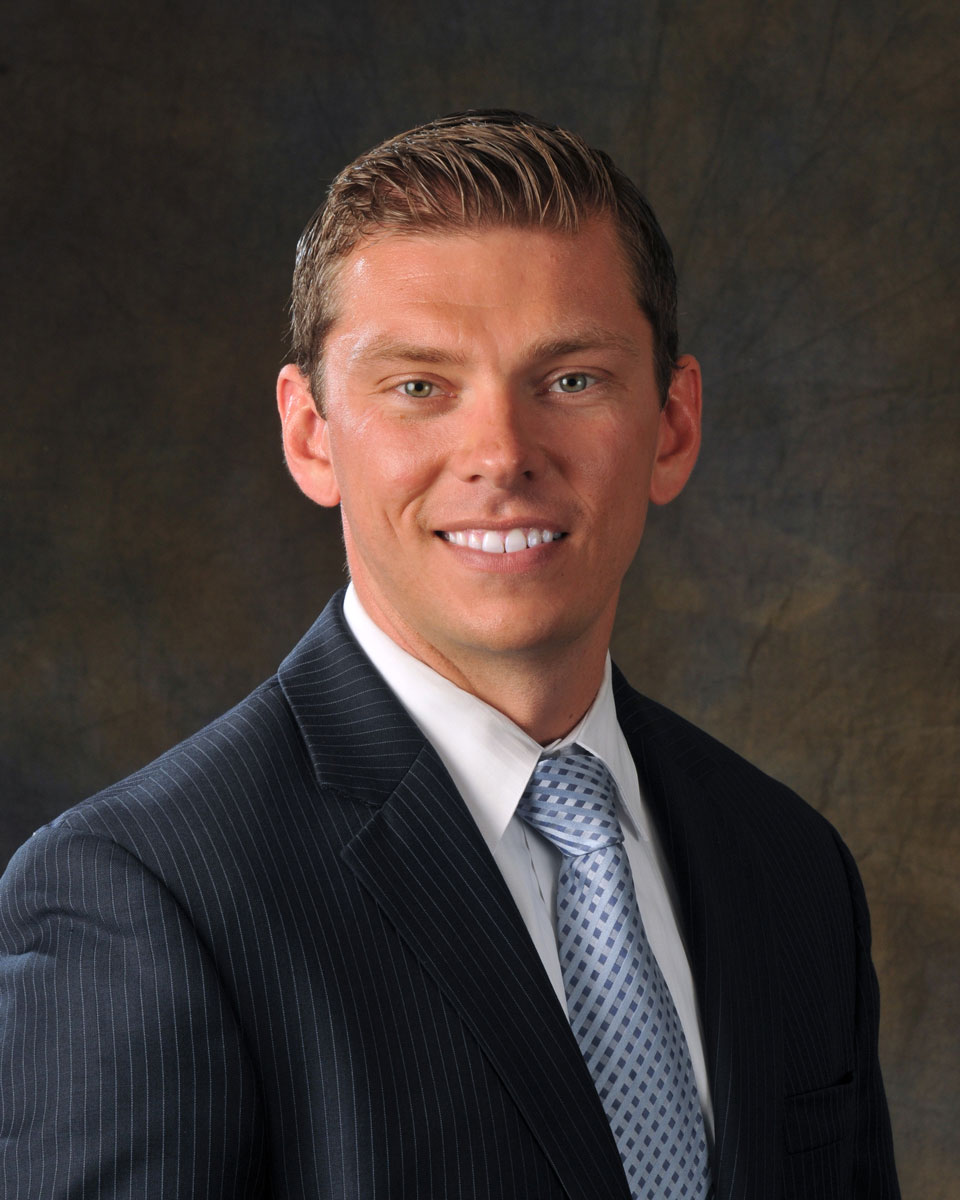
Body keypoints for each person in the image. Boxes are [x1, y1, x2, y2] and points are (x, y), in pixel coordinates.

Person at [0, 110, 899, 1199]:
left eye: (571, 380)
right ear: (310, 435)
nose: (502, 455)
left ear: (672, 425)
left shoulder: (791, 868)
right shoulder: (145, 897)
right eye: (420, 386)